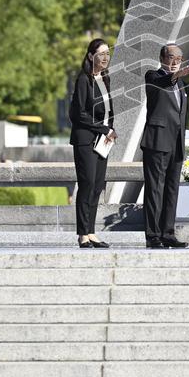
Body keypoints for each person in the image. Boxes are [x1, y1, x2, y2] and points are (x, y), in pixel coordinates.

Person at [140, 43, 189, 249]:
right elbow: (162, 82)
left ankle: (168, 232)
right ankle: (153, 235)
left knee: (171, 189)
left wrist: (179, 76)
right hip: (157, 141)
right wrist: (176, 75)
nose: (175, 62)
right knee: (155, 189)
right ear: (162, 58)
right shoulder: (152, 76)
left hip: (176, 142)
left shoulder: (180, 83)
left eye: (179, 58)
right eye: (171, 57)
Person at [69, 38, 116, 249]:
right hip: (86, 140)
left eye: (108, 53)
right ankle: (82, 234)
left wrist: (110, 130)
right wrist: (104, 129)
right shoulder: (83, 80)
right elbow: (78, 114)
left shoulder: (105, 79)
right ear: (90, 56)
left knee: (97, 186)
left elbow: (108, 112)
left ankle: (91, 231)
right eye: (101, 54)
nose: (105, 58)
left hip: (102, 141)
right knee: (86, 184)